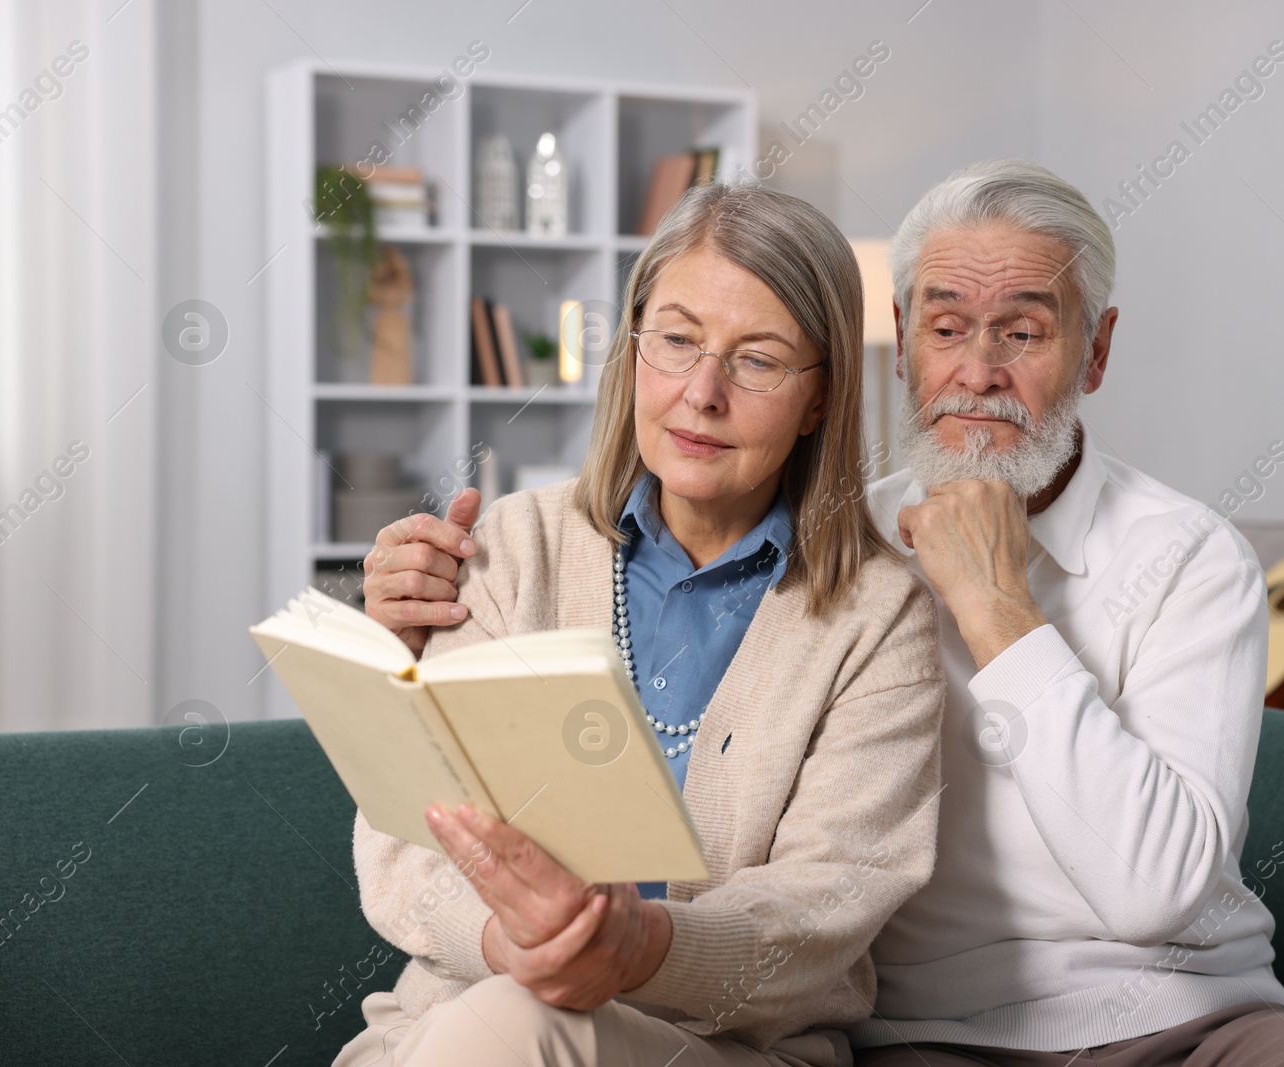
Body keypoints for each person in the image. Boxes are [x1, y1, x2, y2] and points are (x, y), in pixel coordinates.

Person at [847, 160, 1284, 1066]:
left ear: (1096, 349)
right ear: (902, 337)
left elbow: (1153, 892)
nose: (980, 370)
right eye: (946, 327)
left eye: (1023, 332)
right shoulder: (839, 548)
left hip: (1200, 1020)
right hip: (930, 1034)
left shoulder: (1190, 555)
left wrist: (992, 600)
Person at [333, 183, 944, 1067]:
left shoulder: (878, 616)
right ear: (631, 347)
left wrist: (636, 948)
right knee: (510, 1017)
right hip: (454, 1022)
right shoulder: (513, 548)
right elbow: (407, 839)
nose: (702, 393)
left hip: (724, 1050)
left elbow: (828, 905)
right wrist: (514, 947)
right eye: (678, 340)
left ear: (820, 399)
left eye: (759, 359)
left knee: (521, 1026)